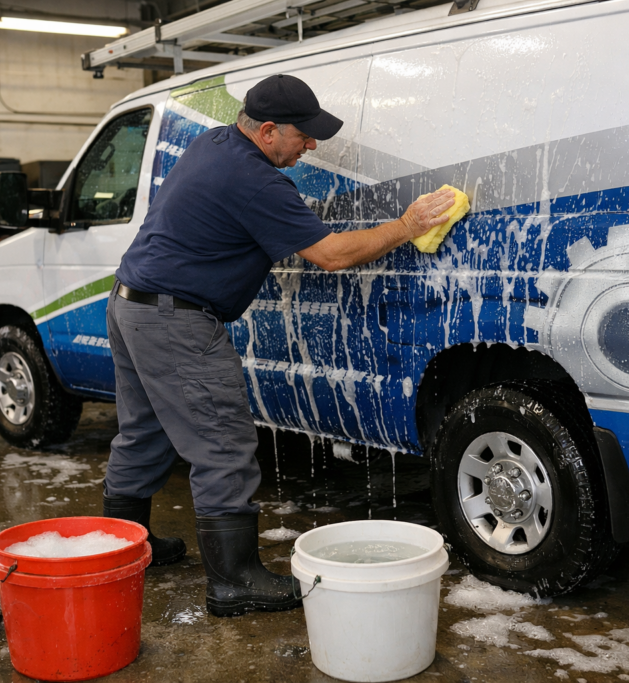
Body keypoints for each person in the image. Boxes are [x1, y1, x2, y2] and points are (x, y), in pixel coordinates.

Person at [103, 74, 455, 617]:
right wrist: (407, 224)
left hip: (131, 305)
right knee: (221, 442)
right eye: (303, 135)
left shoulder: (214, 143)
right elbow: (332, 254)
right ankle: (233, 582)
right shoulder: (254, 180)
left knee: (144, 433)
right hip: (174, 319)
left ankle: (123, 552)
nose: (311, 145)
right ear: (267, 130)